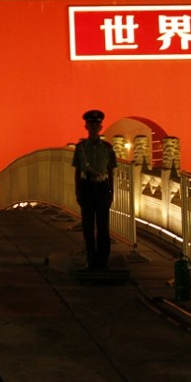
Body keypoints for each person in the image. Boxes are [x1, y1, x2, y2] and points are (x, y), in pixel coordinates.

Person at [72, 109, 117, 270]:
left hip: (102, 188)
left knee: (103, 227)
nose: (93, 126)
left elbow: (111, 171)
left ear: (100, 127)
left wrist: (112, 191)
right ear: (86, 126)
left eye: (96, 124)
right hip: (87, 187)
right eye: (91, 124)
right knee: (88, 227)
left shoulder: (107, 148)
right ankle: (91, 260)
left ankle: (103, 261)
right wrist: (77, 191)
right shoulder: (80, 148)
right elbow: (77, 171)